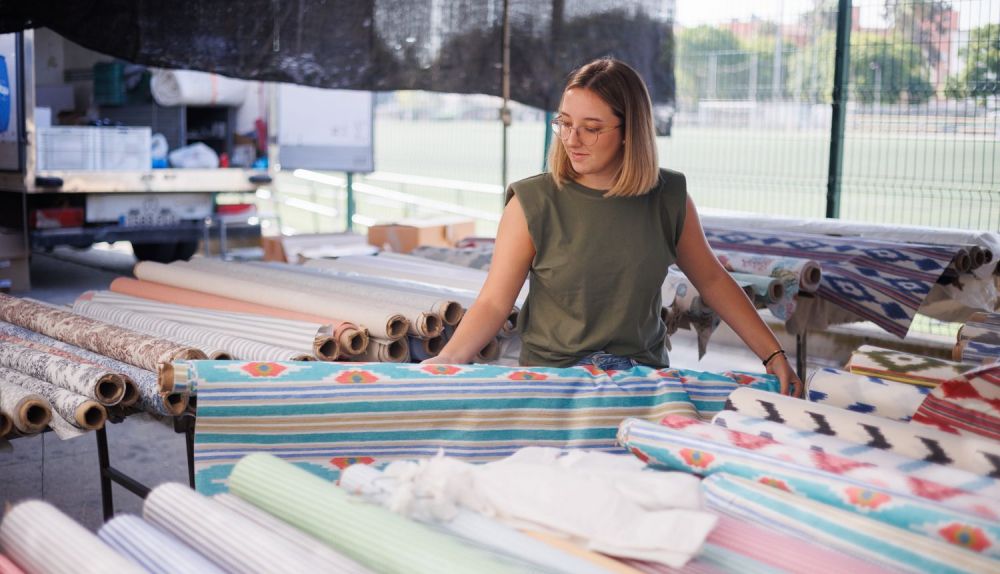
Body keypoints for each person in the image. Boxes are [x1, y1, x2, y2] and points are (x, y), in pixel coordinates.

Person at [424, 57, 802, 396]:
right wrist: (447, 361)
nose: (573, 140)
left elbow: (714, 281)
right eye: (565, 124)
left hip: (643, 379)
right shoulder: (531, 203)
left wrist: (773, 355)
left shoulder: (669, 197)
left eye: (591, 128)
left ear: (629, 131)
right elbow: (493, 302)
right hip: (554, 380)